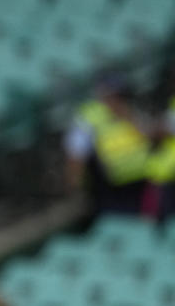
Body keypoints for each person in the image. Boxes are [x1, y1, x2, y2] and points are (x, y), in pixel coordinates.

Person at [64, 76, 154, 217]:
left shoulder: (130, 111)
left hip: (146, 179)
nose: (116, 100)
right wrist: (76, 189)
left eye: (120, 95)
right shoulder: (89, 116)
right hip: (113, 187)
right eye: (112, 95)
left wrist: (128, 117)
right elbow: (76, 154)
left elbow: (149, 134)